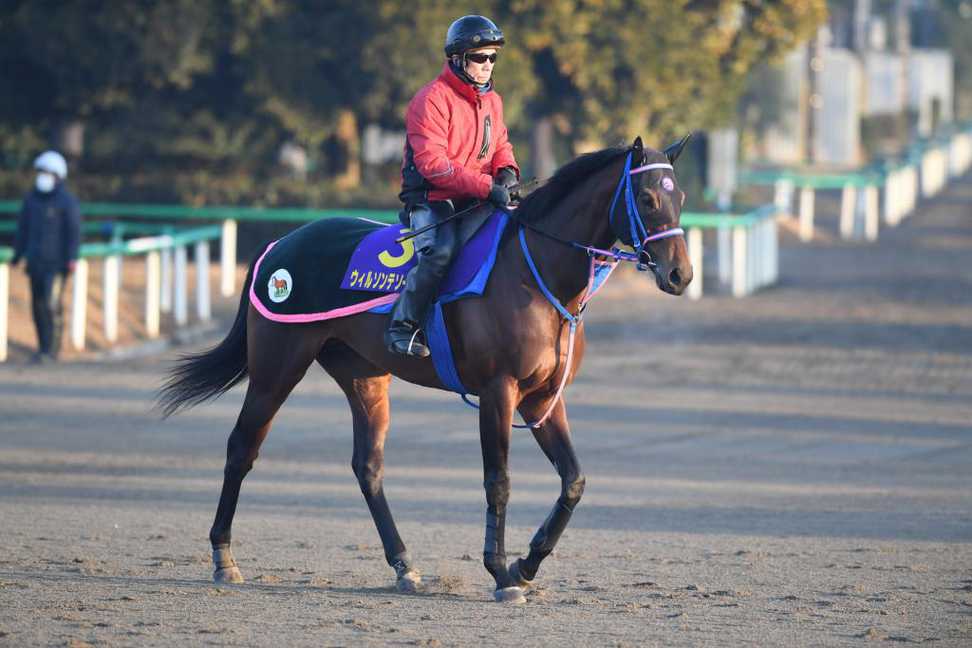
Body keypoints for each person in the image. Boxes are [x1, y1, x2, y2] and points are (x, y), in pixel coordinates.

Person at [385, 14, 520, 358]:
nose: (488, 64)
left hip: (476, 195)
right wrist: (487, 186)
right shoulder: (430, 99)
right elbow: (434, 166)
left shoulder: (493, 100)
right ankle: (403, 327)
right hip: (432, 199)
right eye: (480, 57)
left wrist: (506, 171)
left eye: (492, 57)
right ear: (458, 59)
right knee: (440, 253)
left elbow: (501, 144)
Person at [11, 151, 81, 363]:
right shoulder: (31, 199)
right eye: (41, 172)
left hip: (57, 265)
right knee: (38, 306)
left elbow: (73, 231)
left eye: (47, 172)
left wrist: (71, 258)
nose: (42, 176)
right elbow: (23, 229)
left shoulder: (66, 201)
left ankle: (53, 349)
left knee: (52, 304)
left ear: (58, 175)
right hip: (35, 263)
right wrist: (18, 255)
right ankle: (42, 348)